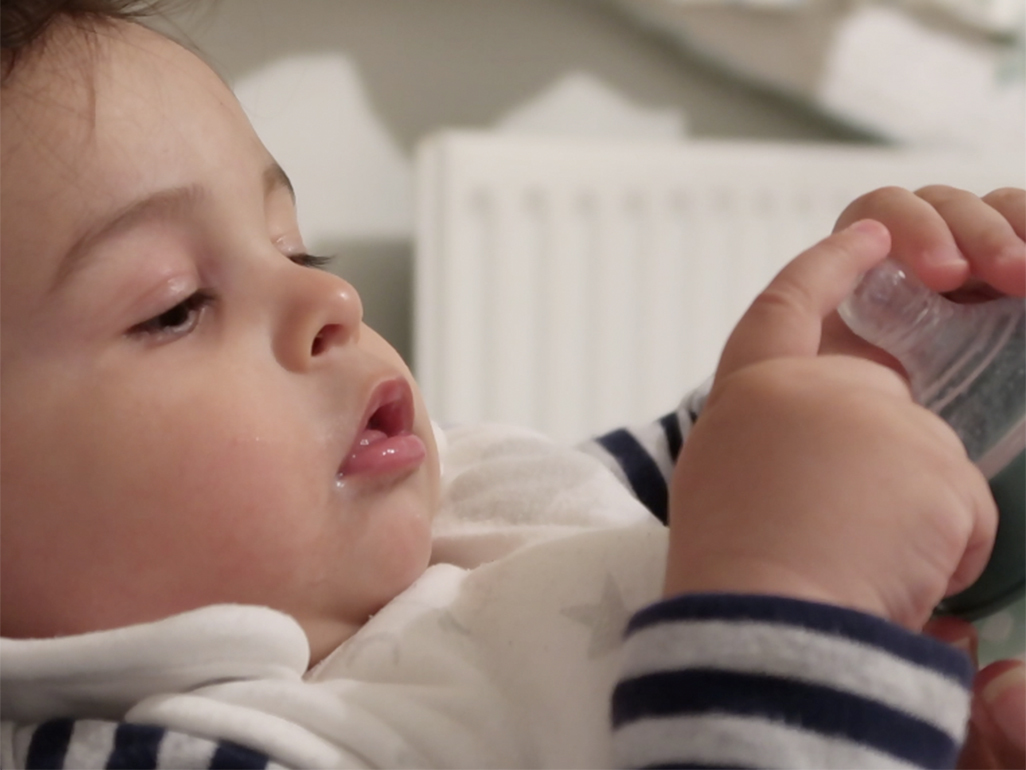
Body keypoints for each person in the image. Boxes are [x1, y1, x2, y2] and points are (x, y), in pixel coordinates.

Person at [0, 1, 1023, 767]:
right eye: (174, 305)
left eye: (299, 248)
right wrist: (797, 615)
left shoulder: (474, 506)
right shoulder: (158, 748)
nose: (335, 302)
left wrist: (865, 368)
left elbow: (702, 488)